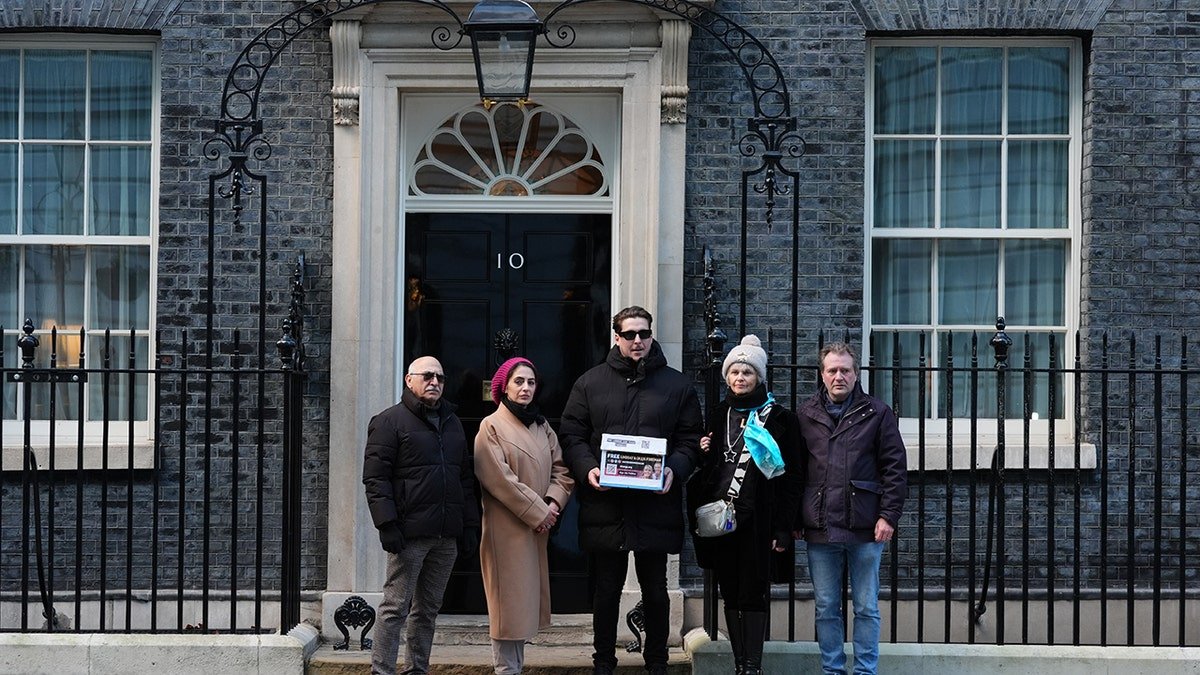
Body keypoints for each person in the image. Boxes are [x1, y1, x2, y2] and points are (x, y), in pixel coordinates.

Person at [559, 306, 703, 675]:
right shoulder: (589, 383)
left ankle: (657, 660)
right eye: (629, 334)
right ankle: (603, 660)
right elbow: (572, 435)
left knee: (655, 588)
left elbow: (690, 439)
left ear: (651, 335)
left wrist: (674, 470)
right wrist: (588, 468)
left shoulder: (677, 385)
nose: (637, 340)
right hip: (606, 503)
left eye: (644, 333)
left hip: (656, 504)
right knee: (606, 588)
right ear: (617, 337)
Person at [686, 335, 803, 675]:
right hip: (722, 520)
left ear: (759, 377)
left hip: (759, 521)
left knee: (753, 593)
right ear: (727, 377)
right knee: (731, 592)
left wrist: (784, 526)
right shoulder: (719, 413)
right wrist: (702, 450)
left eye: (747, 372)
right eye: (735, 372)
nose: (740, 378)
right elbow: (710, 466)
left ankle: (752, 666)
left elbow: (793, 478)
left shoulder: (780, 418)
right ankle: (739, 664)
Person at [362, 356, 481, 675]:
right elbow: (375, 478)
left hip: (446, 535)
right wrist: (386, 524)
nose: (434, 382)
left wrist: (470, 524)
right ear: (409, 380)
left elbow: (464, 478)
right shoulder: (388, 421)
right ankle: (382, 670)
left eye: (440, 378)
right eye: (427, 376)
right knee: (394, 608)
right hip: (409, 535)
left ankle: (416, 669)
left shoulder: (452, 422)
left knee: (428, 610)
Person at [796, 342, 907, 675]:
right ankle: (833, 670)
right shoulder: (805, 415)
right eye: (832, 370)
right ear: (822, 374)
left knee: (866, 607)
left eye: (845, 370)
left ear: (856, 374)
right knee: (826, 607)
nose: (839, 376)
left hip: (865, 527)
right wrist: (795, 518)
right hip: (821, 528)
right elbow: (795, 471)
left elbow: (895, 468)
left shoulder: (877, 413)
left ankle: (865, 671)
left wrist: (888, 515)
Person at [474, 357, 575, 675]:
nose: (526, 388)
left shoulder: (542, 426)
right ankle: (506, 669)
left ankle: (514, 668)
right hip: (506, 530)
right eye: (518, 381)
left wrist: (553, 504)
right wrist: (539, 512)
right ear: (504, 387)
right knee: (507, 608)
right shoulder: (490, 426)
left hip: (537, 530)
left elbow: (562, 470)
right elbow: (499, 479)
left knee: (523, 607)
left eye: (531, 382)